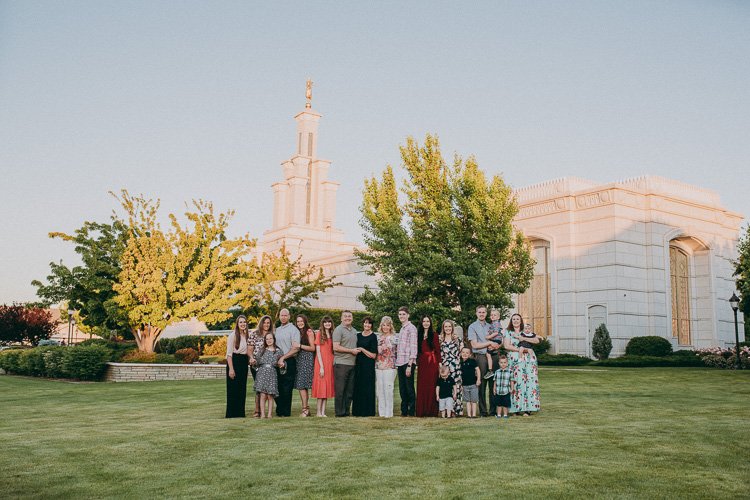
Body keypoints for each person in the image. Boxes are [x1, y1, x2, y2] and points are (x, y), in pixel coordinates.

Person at [503, 313, 541, 416]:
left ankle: (528, 408)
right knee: (516, 382)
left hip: (529, 361)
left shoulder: (526, 331)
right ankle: (516, 408)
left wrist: (524, 339)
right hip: (515, 360)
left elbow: (537, 340)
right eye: (513, 319)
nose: (515, 321)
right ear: (511, 321)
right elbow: (507, 345)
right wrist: (523, 350)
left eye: (518, 319)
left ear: (521, 321)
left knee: (529, 382)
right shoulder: (508, 332)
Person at [467, 305, 501, 417]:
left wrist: (496, 345)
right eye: (479, 312)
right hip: (481, 357)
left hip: (494, 356)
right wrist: (489, 343)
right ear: (476, 313)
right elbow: (475, 345)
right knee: (481, 383)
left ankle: (493, 410)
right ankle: (483, 411)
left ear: (486, 313)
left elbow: (499, 340)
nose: (481, 314)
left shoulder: (491, 325)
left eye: (483, 312)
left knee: (494, 383)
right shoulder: (472, 327)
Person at [333, 310, 360, 417]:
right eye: (345, 316)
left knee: (349, 391)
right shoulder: (338, 330)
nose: (347, 318)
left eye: (349, 316)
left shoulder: (354, 331)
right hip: (341, 364)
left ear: (352, 318)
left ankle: (346, 411)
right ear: (341, 318)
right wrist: (351, 351)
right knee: (340, 390)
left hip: (352, 364)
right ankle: (339, 412)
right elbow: (336, 347)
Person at [274, 308, 300, 417]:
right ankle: (279, 410)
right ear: (279, 316)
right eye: (281, 315)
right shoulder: (277, 330)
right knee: (277, 386)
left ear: (289, 316)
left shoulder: (293, 330)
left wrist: (283, 358)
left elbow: (296, 348)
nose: (283, 317)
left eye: (285, 315)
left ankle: (285, 412)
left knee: (286, 388)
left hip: (289, 360)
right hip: (276, 361)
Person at [252, 332, 283, 419]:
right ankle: (262, 414)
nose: (269, 340)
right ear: (265, 340)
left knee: (270, 395)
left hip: (272, 373)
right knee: (262, 394)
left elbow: (282, 362)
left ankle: (269, 414)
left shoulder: (278, 351)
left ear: (274, 339)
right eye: (267, 339)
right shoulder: (262, 350)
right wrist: (253, 362)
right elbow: (256, 362)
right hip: (262, 373)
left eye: (271, 338)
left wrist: (282, 364)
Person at [248, 315, 273, 418]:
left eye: (268, 323)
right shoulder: (254, 334)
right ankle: (257, 410)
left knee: (268, 388)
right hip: (256, 365)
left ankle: (267, 411)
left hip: (269, 365)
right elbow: (249, 349)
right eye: (264, 322)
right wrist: (251, 358)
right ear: (261, 323)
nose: (266, 324)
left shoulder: (271, 335)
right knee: (259, 388)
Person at [352, 317, 378, 416]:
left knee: (368, 387)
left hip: (368, 366)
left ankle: (368, 411)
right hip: (359, 365)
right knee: (358, 387)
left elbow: (373, 355)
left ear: (371, 325)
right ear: (363, 324)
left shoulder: (373, 337)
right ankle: (357, 411)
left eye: (369, 323)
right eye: (365, 323)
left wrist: (362, 349)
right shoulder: (358, 335)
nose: (367, 325)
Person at [225, 315, 250, 418]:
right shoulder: (232, 336)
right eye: (241, 322)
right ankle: (231, 413)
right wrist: (231, 369)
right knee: (233, 389)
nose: (243, 324)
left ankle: (240, 413)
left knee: (241, 389)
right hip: (234, 362)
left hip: (243, 363)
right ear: (237, 324)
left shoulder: (247, 335)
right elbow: (229, 354)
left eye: (244, 322)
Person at [416, 316, 441, 417]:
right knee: (422, 385)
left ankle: (431, 411)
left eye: (428, 321)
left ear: (430, 323)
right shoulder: (418, 335)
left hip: (432, 363)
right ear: (421, 323)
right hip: (422, 363)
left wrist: (439, 363)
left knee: (432, 385)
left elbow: (438, 350)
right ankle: (422, 410)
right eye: (424, 321)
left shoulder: (434, 335)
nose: (426, 323)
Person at [396, 306, 418, 417]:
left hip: (408, 362)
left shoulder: (411, 328)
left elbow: (413, 347)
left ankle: (412, 410)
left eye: (403, 314)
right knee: (402, 388)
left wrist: (410, 364)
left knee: (409, 388)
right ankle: (404, 410)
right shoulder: (402, 328)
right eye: (400, 314)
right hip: (400, 362)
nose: (401, 316)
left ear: (408, 315)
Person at [439, 319, 464, 417]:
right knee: (446, 389)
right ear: (443, 328)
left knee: (456, 388)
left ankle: (457, 410)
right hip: (445, 367)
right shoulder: (440, 339)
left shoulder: (457, 339)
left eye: (449, 326)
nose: (448, 328)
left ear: (452, 328)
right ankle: (446, 411)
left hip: (456, 366)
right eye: (446, 327)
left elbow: (462, 352)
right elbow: (438, 355)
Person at [312, 316, 335, 417]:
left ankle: (323, 412)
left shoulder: (333, 334)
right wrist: (321, 366)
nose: (327, 324)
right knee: (321, 387)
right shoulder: (319, 334)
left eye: (329, 322)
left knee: (326, 388)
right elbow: (318, 351)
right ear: (323, 323)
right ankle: (318, 412)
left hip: (330, 363)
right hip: (321, 362)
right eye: (325, 322)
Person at [375, 316, 398, 417]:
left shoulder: (394, 338)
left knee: (388, 389)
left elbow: (397, 352)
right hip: (379, 366)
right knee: (380, 389)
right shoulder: (378, 337)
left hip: (390, 366)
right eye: (383, 325)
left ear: (390, 326)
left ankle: (389, 413)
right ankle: (382, 412)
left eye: (387, 325)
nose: (385, 327)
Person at [294, 314, 316, 417]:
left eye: (301, 321)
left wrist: (300, 346)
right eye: (298, 321)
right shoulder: (297, 332)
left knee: (302, 385)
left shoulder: (309, 331)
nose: (300, 323)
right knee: (302, 386)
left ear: (305, 321)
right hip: (299, 359)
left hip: (307, 359)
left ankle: (305, 410)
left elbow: (313, 348)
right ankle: (306, 409)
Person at [483, 308, 504, 380]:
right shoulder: (493, 323)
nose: (492, 316)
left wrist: (488, 337)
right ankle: (490, 370)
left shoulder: (496, 323)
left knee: (488, 354)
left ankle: (490, 370)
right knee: (489, 352)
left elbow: (496, 333)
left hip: (497, 340)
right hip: (496, 340)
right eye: (491, 315)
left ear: (498, 317)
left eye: (494, 315)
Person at [459, 346, 480, 418]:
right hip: (465, 385)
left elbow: (477, 370)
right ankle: (469, 415)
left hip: (473, 384)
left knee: (473, 401)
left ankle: (474, 415)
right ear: (461, 353)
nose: (465, 354)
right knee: (467, 401)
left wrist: (478, 379)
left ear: (470, 354)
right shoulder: (460, 363)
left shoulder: (472, 361)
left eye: (467, 353)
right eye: (463, 352)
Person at [492, 354, 513, 419]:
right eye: (501, 362)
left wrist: (512, 388)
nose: (503, 364)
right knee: (499, 404)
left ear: (507, 363)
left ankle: (505, 415)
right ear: (499, 363)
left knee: (505, 404)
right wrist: (494, 388)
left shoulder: (509, 372)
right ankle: (498, 414)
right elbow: (495, 381)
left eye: (504, 362)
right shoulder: (497, 372)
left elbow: (511, 380)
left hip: (506, 391)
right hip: (498, 390)